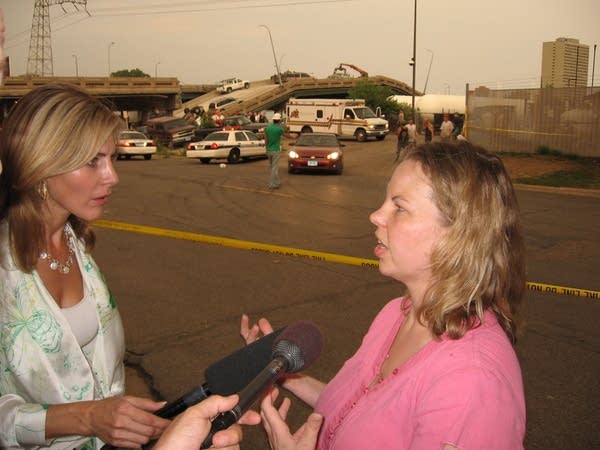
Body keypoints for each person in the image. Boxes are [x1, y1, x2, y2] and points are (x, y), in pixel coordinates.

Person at [244, 140, 527, 449]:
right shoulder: (397, 312)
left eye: (400, 208)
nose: (376, 216)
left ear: (459, 236)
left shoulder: (472, 383)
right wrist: (279, 369)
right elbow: (354, 407)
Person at [0, 83, 171, 449]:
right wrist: (90, 417)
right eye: (93, 160)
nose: (112, 176)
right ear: (42, 164)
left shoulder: (76, 245)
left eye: (111, 158)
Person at [264, 112, 285, 189]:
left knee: (272, 167)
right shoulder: (280, 129)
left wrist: (266, 149)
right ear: (279, 120)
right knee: (274, 168)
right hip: (276, 150)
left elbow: (266, 140)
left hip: (269, 150)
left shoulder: (267, 128)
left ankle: (277, 182)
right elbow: (286, 135)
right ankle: (272, 184)